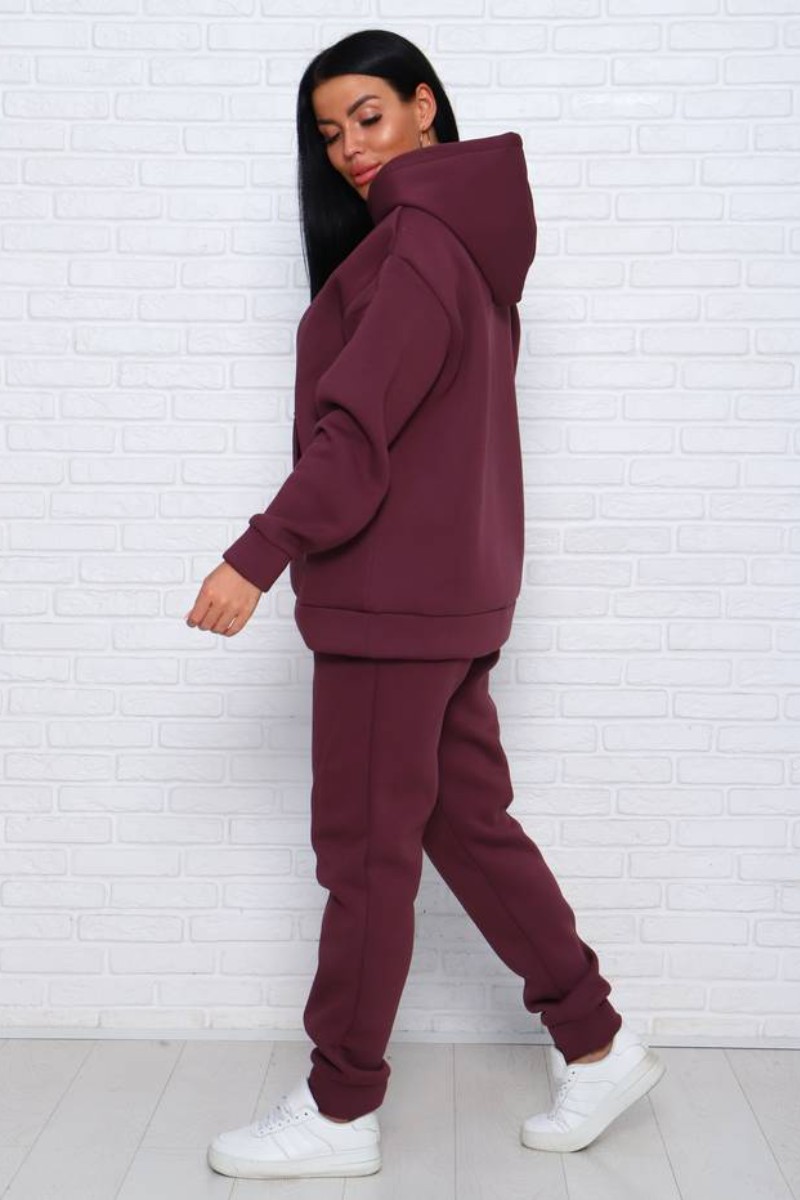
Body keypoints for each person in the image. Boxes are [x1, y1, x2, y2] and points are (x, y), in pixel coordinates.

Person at [187, 28, 666, 1183]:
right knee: (467, 828)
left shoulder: (415, 246)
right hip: (448, 596)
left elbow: (356, 434)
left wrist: (255, 555)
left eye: (368, 116)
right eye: (328, 132)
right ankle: (595, 1042)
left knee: (363, 859)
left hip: (387, 604)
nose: (351, 148)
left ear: (423, 107)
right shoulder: (459, 243)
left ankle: (337, 1108)